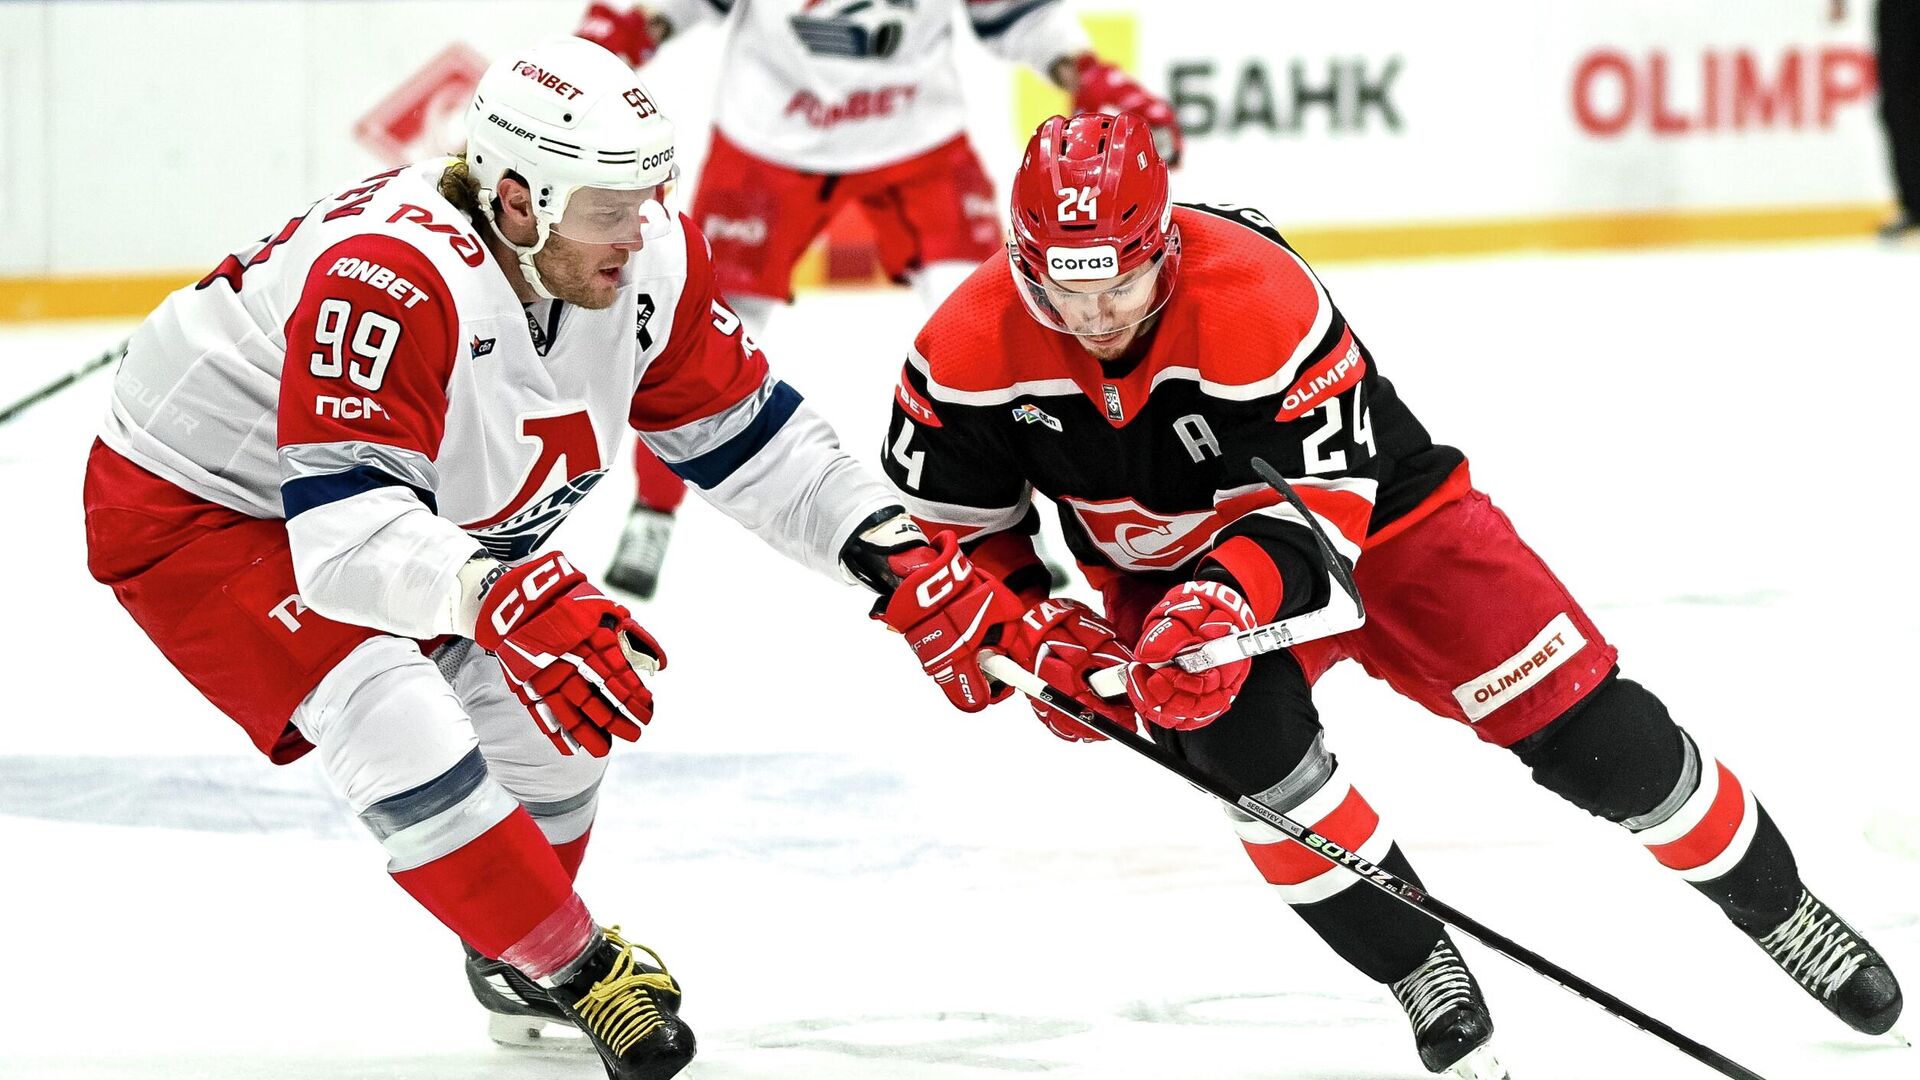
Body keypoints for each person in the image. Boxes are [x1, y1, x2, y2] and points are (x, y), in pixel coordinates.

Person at [873, 111, 1905, 1077]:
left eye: (1120, 283)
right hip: (1170, 579)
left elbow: (1315, 522)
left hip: (1387, 526)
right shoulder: (962, 352)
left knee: (1597, 738)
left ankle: (1780, 908)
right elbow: (958, 537)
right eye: (1062, 289)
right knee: (1245, 760)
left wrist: (1224, 598)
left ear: (1165, 250)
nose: (1093, 316)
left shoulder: (1259, 294)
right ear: (1022, 260)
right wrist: (1030, 629)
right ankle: (1420, 965)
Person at [82, 36, 995, 1080]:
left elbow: (755, 442)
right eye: (611, 206)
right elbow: (345, 540)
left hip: (404, 510)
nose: (641, 230)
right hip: (207, 510)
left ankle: (513, 956)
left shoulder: (641, 256)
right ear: (518, 200)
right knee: (391, 714)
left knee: (562, 710)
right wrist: (499, 593)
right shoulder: (390, 280)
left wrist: (892, 552)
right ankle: (572, 965)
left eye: (648, 195)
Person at [575, 0, 1182, 598]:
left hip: (919, 143)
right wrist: (617, 39)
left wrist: (1085, 70)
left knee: (1002, 322)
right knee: (694, 330)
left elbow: (1015, 13)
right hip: (769, 144)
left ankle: (1009, 521)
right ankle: (653, 510)